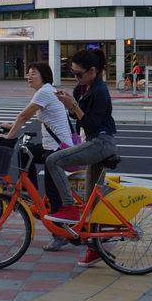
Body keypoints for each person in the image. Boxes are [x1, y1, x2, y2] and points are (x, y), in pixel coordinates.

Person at [45, 48, 117, 267]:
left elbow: (93, 125)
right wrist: (69, 103)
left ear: (93, 71)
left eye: (78, 74)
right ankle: (95, 249)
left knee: (53, 160)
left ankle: (66, 207)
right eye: (72, 72)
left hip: (101, 143)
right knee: (91, 202)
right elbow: (75, 118)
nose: (75, 77)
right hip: (92, 143)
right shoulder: (82, 89)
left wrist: (74, 106)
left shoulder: (101, 92)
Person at [1, 62, 73, 251]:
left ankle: (59, 235)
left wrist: (9, 136)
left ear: (43, 76)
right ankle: (28, 190)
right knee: (27, 151)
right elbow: (28, 116)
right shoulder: (47, 91)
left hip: (58, 150)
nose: (28, 76)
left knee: (53, 191)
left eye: (33, 73)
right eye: (28, 73)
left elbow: (24, 115)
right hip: (55, 146)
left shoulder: (44, 92)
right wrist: (13, 127)